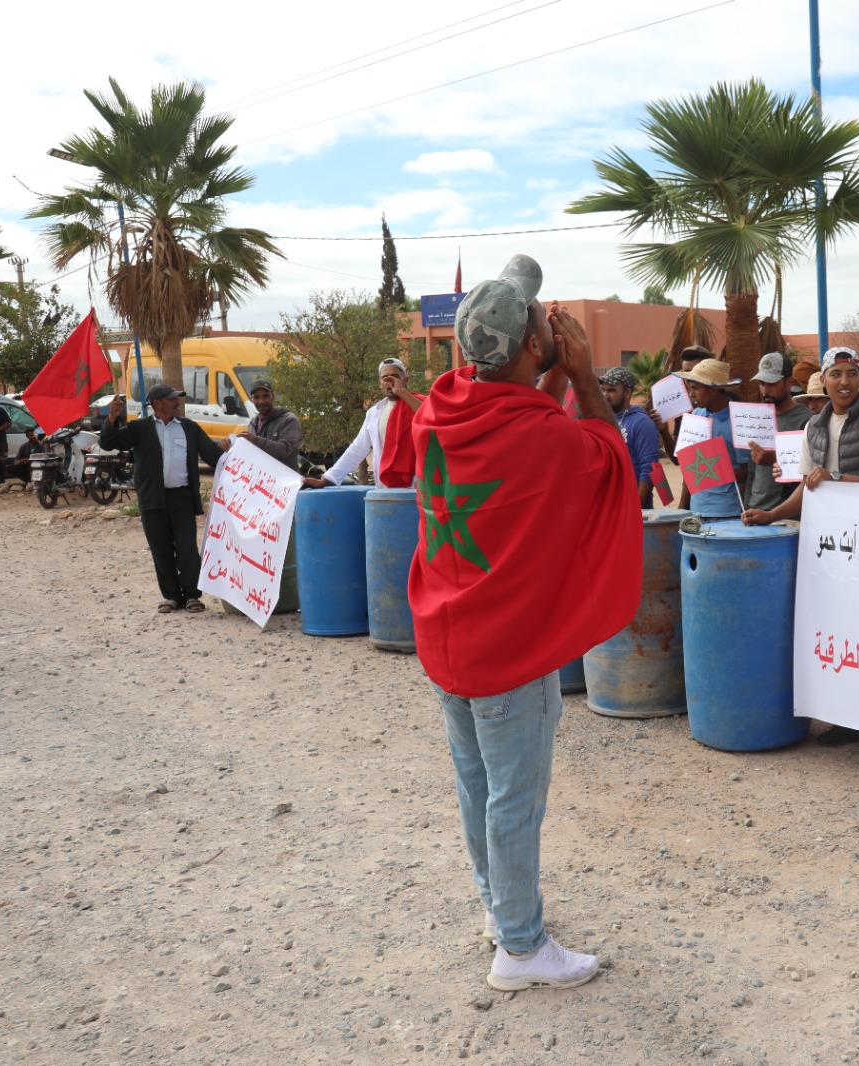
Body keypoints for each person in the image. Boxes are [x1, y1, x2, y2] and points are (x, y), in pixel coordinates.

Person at [411, 254, 641, 991]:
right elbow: (611, 461)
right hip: (508, 650)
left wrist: (547, 370)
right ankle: (520, 948)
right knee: (515, 796)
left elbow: (515, 409)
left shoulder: (436, 410)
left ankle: (498, 908)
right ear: (535, 349)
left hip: (449, 635)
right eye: (540, 323)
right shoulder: (546, 438)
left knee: (476, 784)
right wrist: (580, 378)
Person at [743, 346, 859, 772]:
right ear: (824, 379)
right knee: (841, 636)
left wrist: (838, 478)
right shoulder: (814, 427)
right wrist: (773, 515)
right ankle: (850, 720)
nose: (844, 382)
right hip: (831, 551)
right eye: (835, 374)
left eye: (851, 374)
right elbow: (806, 488)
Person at [100, 384, 225, 614]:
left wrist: (230, 450)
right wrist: (112, 416)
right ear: (158, 403)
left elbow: (213, 456)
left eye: (177, 398)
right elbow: (108, 443)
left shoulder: (189, 428)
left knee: (187, 549)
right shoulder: (139, 428)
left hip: (182, 498)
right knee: (161, 549)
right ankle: (171, 597)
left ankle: (191, 596)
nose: (177, 402)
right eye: (172, 398)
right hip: (152, 497)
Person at [304, 358, 424, 488]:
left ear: (406, 379)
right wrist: (327, 479)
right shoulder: (374, 413)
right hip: (385, 489)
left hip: (418, 488)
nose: (390, 382)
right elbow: (358, 449)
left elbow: (431, 417)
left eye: (395, 376)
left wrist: (402, 392)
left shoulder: (420, 404)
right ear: (380, 384)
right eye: (385, 378)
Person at [674, 357, 747, 518]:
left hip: (726, 512)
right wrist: (682, 507)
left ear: (713, 390)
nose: (691, 394)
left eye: (695, 388)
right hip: (696, 510)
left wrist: (714, 469)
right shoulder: (696, 415)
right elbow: (689, 467)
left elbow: (747, 471)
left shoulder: (738, 422)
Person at [742, 351, 811, 514]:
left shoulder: (807, 422)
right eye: (761, 383)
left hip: (787, 517)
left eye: (772, 384)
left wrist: (776, 459)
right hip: (756, 510)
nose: (765, 390)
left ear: (789, 383)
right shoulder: (758, 419)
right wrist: (747, 505)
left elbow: (811, 473)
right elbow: (752, 470)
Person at [598, 366, 661, 508]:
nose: (605, 395)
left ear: (627, 393)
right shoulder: (604, 420)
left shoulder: (642, 423)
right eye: (603, 390)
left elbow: (649, 469)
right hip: (609, 506)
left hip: (632, 508)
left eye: (612, 390)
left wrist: (633, 510)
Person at [225, 378, 301, 470]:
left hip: (285, 480)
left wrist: (256, 440)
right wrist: (230, 446)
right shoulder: (253, 422)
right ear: (252, 399)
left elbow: (285, 450)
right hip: (262, 480)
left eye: (265, 396)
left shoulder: (288, 420)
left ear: (273, 397)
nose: (261, 401)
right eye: (256, 397)